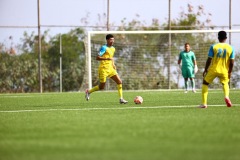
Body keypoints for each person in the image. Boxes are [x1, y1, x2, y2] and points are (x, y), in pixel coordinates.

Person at [85, 34, 128, 104]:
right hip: (103, 69)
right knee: (102, 87)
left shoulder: (113, 48)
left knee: (119, 82)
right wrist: (106, 58)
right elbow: (97, 57)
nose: (112, 41)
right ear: (107, 40)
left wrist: (113, 64)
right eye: (111, 39)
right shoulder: (104, 48)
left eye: (113, 40)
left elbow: (111, 57)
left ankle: (121, 99)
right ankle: (88, 92)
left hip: (111, 69)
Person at [198, 31, 235, 108]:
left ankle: (204, 104)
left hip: (214, 69)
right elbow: (232, 62)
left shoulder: (213, 46)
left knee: (205, 83)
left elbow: (209, 59)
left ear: (218, 38)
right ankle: (226, 96)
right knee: (225, 83)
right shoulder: (231, 48)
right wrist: (230, 72)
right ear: (226, 38)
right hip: (224, 70)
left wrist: (205, 69)